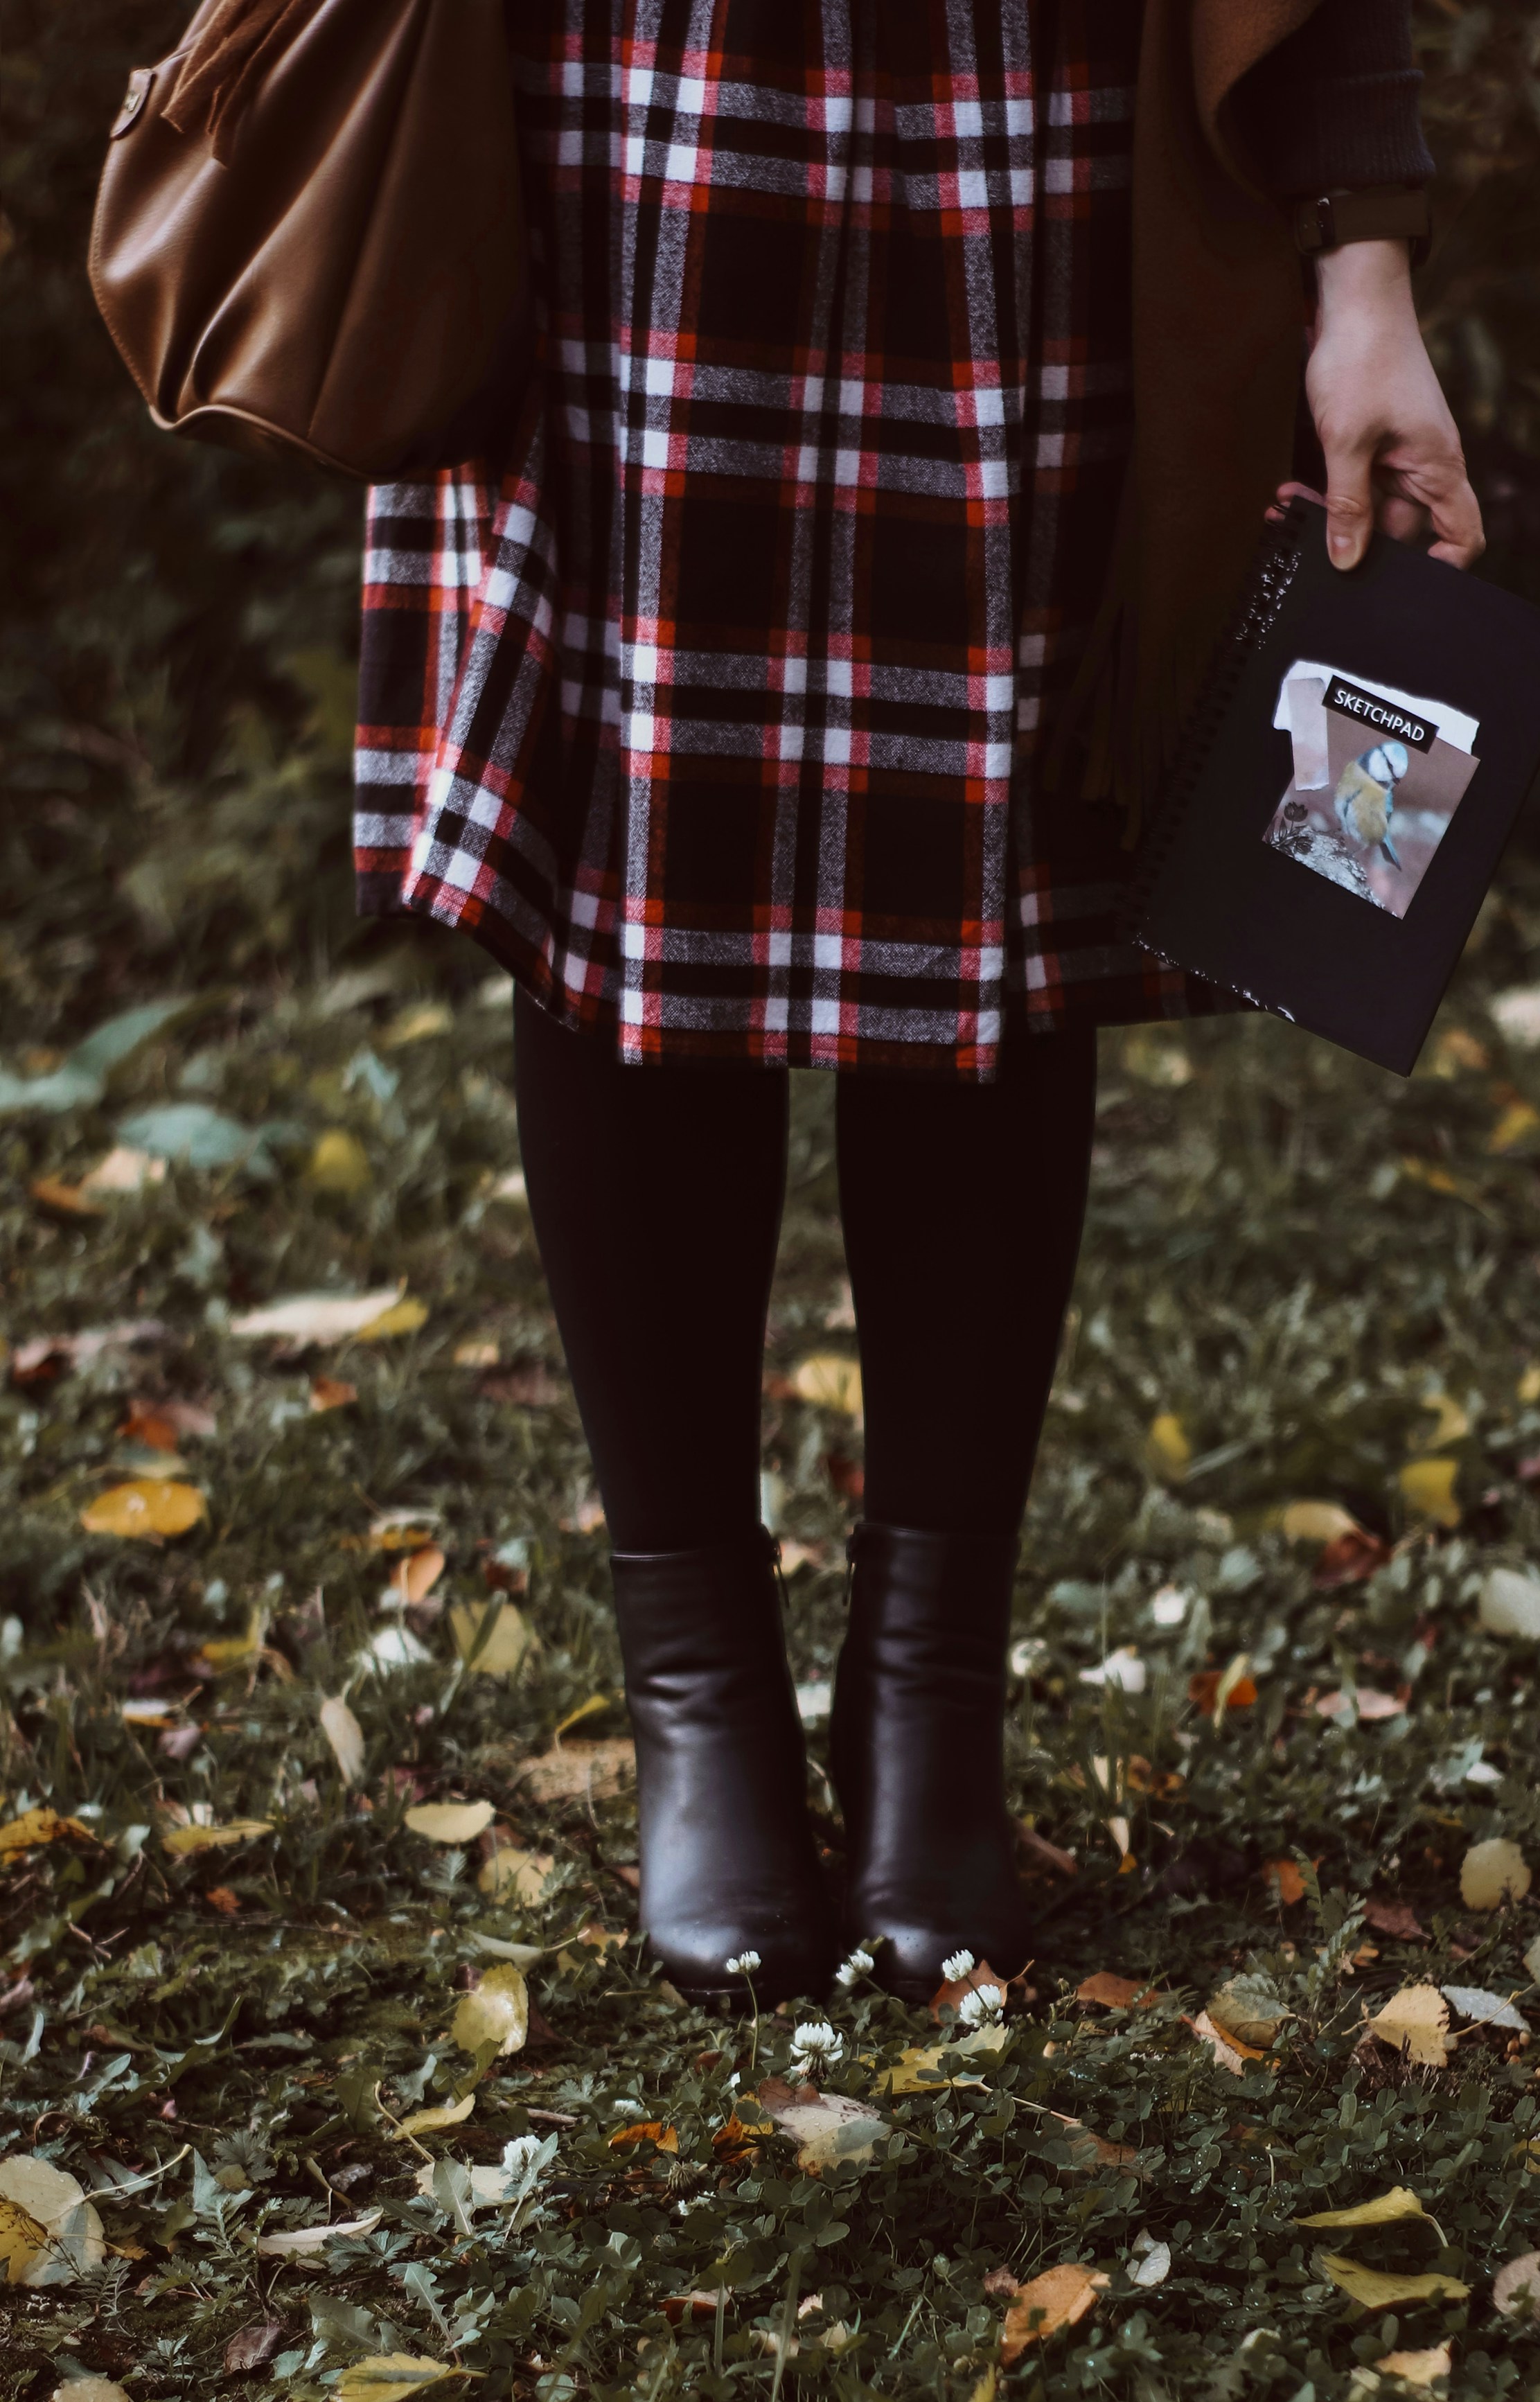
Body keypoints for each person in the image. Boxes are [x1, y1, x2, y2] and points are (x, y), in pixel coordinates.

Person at [353, 0, 1483, 2006]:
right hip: (622, 102)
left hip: (1025, 102)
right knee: (633, 888)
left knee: (997, 891)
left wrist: (1363, 258)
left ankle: (926, 1709)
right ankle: (701, 1699)